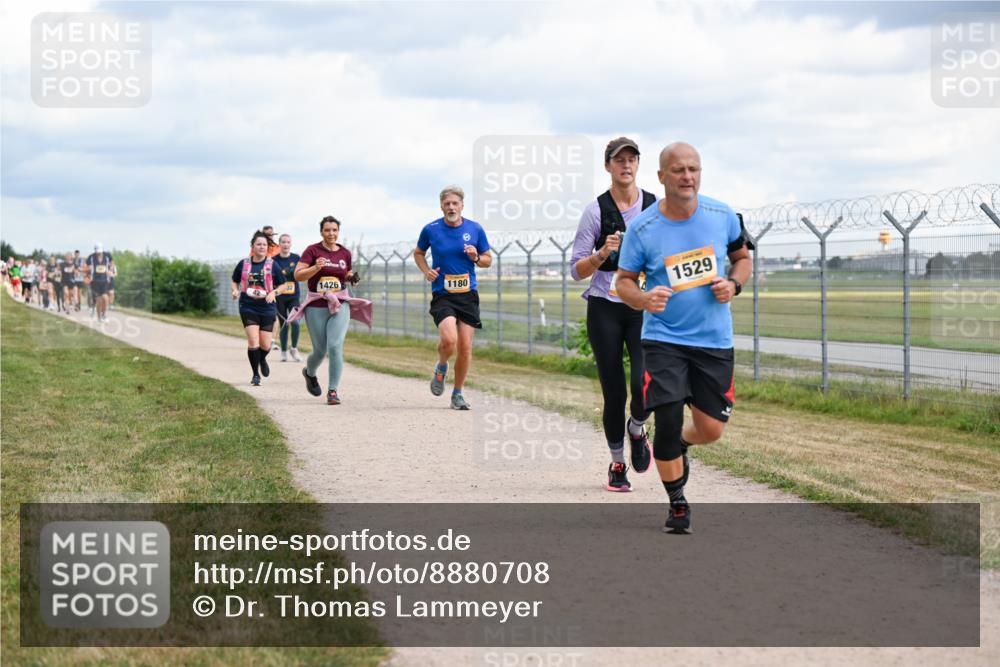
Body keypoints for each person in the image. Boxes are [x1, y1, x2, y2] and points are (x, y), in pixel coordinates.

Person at [616, 142, 752, 534]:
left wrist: (734, 285)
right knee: (669, 419)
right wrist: (643, 298)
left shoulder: (722, 215)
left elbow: (742, 258)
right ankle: (677, 502)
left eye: (693, 169)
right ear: (661, 177)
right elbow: (623, 281)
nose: (687, 176)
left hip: (713, 340)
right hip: (664, 339)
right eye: (678, 170)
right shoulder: (642, 228)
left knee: (711, 429)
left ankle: (683, 447)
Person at [570, 137, 658, 492]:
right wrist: (601, 254)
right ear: (608, 166)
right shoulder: (595, 211)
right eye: (618, 160)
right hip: (605, 307)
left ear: (638, 165)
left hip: (640, 306)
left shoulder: (655, 207)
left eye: (631, 159)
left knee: (644, 383)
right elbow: (576, 270)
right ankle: (617, 462)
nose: (625, 165)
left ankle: (637, 428)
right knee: (614, 393)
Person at [413, 185, 491, 410]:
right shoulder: (431, 229)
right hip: (443, 294)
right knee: (449, 340)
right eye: (447, 204)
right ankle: (441, 366)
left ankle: (457, 394)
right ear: (441, 206)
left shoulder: (475, 229)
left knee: (465, 347)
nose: (451, 207)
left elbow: (488, 259)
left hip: (467, 295)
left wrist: (476, 257)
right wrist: (426, 270)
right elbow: (418, 252)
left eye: (455, 203)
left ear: (462, 206)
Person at [289, 216, 372, 405]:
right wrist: (315, 268)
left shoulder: (344, 253)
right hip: (316, 304)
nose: (331, 234)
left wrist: (352, 277)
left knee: (335, 346)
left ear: (338, 232)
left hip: (340, 302)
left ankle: (333, 391)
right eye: (327, 230)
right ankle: (309, 373)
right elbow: (298, 275)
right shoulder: (312, 251)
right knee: (320, 350)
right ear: (321, 232)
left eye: (334, 230)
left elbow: (346, 273)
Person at [231, 231, 287, 386]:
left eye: (264, 244)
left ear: (267, 247)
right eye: (259, 244)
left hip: (267, 307)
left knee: (266, 345)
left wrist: (274, 293)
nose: (262, 247)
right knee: (253, 341)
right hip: (248, 306)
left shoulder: (272, 264)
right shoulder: (244, 264)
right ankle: (255, 374)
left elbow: (284, 285)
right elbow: (235, 280)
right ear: (252, 246)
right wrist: (235, 290)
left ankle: (262, 358)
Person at [272, 233, 302, 362]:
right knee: (284, 323)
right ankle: (284, 351)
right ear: (279, 244)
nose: (285, 244)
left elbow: (301, 273)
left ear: (291, 244)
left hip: (294, 295)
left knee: (295, 322)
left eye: (288, 242)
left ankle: (294, 348)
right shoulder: (273, 260)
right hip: (280, 297)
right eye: (283, 242)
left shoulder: (297, 258)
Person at [85, 244, 113, 322]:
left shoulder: (107, 256)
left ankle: (104, 314)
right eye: (97, 252)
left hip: (104, 280)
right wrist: (88, 270)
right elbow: (86, 267)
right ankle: (99, 318)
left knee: (105, 298)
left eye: (100, 251)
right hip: (94, 281)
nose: (99, 253)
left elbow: (112, 263)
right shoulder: (91, 257)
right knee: (99, 300)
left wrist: (110, 270)